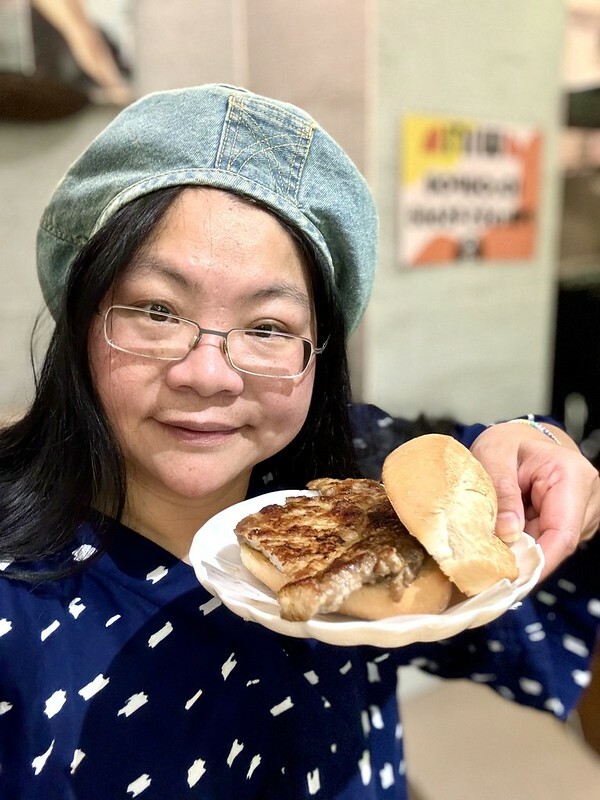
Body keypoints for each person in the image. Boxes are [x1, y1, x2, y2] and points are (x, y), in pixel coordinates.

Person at [0, 84, 598, 800]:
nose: (209, 375)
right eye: (157, 310)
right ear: (80, 319)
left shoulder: (356, 481)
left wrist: (535, 452)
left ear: (320, 356)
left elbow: (486, 532)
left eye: (269, 328)